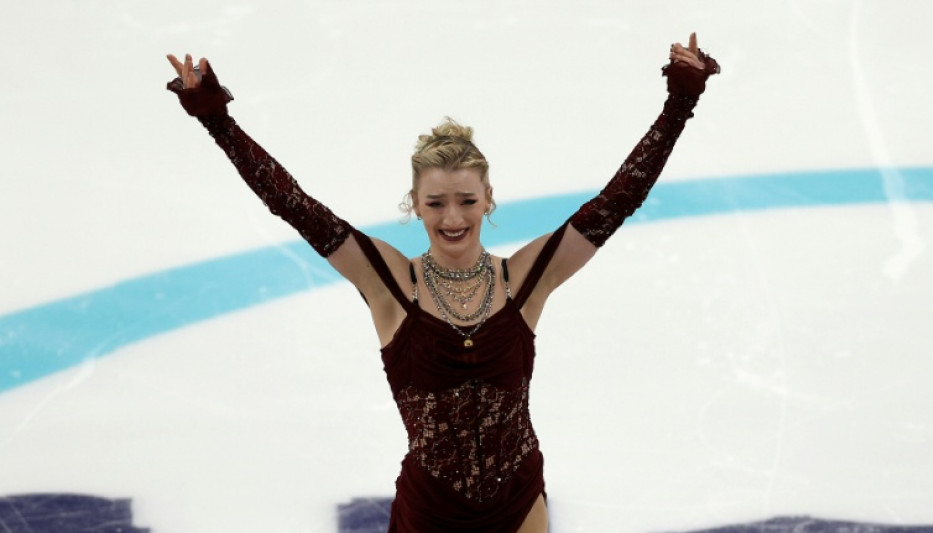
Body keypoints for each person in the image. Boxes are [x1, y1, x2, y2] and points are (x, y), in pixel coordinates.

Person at [166, 33, 719, 533]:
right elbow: (293, 204)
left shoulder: (525, 279)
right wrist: (216, 118)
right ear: (416, 206)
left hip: (519, 503)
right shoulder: (387, 283)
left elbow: (616, 202)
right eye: (436, 203)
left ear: (488, 201)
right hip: (431, 513)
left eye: (466, 201)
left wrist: (680, 103)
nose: (452, 217)